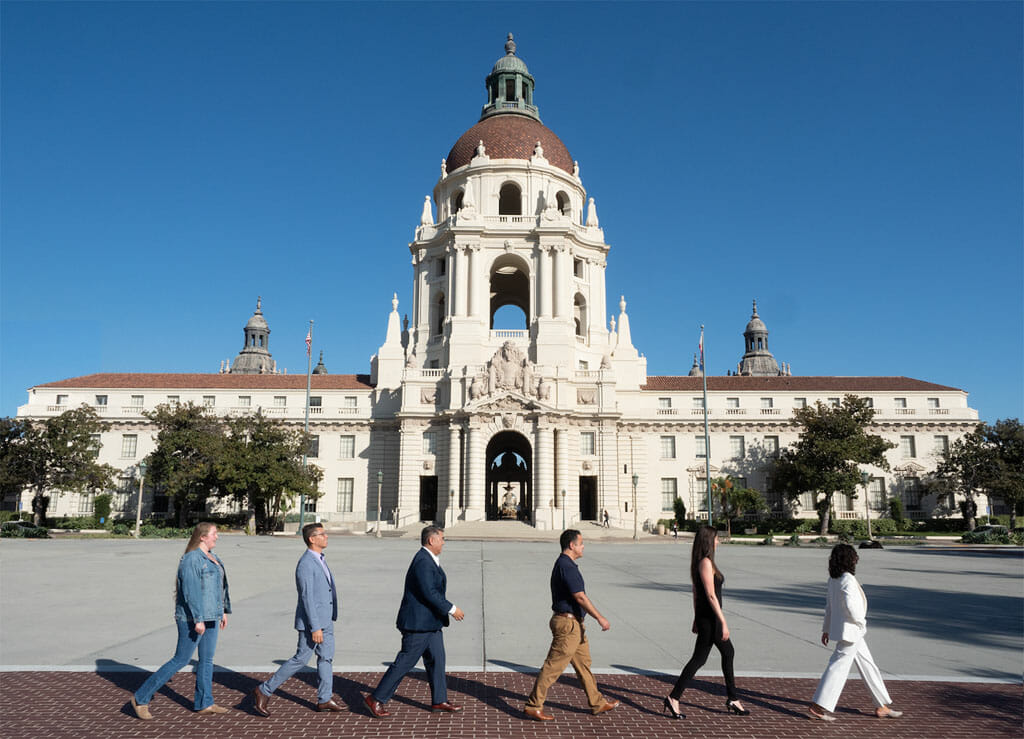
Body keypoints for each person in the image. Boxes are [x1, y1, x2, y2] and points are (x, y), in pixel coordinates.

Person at [129, 522, 231, 719]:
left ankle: (204, 702)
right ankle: (141, 697)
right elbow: (191, 592)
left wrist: (222, 611)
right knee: (181, 659)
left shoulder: (213, 557)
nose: (217, 537)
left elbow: (218, 588)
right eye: (214, 533)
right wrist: (198, 619)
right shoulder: (192, 559)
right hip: (193, 618)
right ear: (202, 536)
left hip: (211, 616)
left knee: (207, 660)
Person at [364, 526, 465, 718]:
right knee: (404, 663)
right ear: (431, 540)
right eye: (442, 538)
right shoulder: (423, 561)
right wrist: (452, 609)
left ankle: (439, 700)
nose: (444, 542)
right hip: (418, 624)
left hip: (431, 624)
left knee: (437, 660)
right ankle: (376, 699)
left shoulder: (429, 560)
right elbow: (429, 592)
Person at [524, 529, 620, 722]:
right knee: (553, 667)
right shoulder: (566, 566)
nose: (583, 547)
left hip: (575, 624)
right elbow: (580, 596)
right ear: (572, 545)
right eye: (581, 543)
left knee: (584, 665)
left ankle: (597, 703)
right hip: (568, 625)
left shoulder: (566, 564)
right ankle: (533, 706)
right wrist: (600, 618)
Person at [251, 522, 341, 716]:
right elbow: (307, 598)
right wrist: (315, 627)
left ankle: (324, 699)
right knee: (301, 659)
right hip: (313, 623)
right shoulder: (306, 563)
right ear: (312, 539)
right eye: (322, 534)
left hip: (326, 620)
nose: (326, 537)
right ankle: (264, 690)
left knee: (326, 658)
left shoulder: (320, 559)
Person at [808, 544, 903, 721]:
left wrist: (826, 629)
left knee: (868, 665)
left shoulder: (833, 579)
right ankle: (818, 705)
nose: (856, 559)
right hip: (852, 631)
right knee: (838, 667)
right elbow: (852, 607)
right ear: (849, 559)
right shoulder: (848, 579)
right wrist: (860, 621)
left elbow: (829, 607)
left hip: (850, 632)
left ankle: (881, 705)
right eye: (854, 556)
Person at [664, 525, 748, 719]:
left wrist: (696, 618)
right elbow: (710, 595)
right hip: (710, 618)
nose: (718, 542)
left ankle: (731, 698)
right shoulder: (705, 563)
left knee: (719, 654)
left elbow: (696, 593)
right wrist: (723, 621)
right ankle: (675, 697)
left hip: (706, 617)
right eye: (716, 539)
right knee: (703, 658)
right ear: (709, 541)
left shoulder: (704, 562)